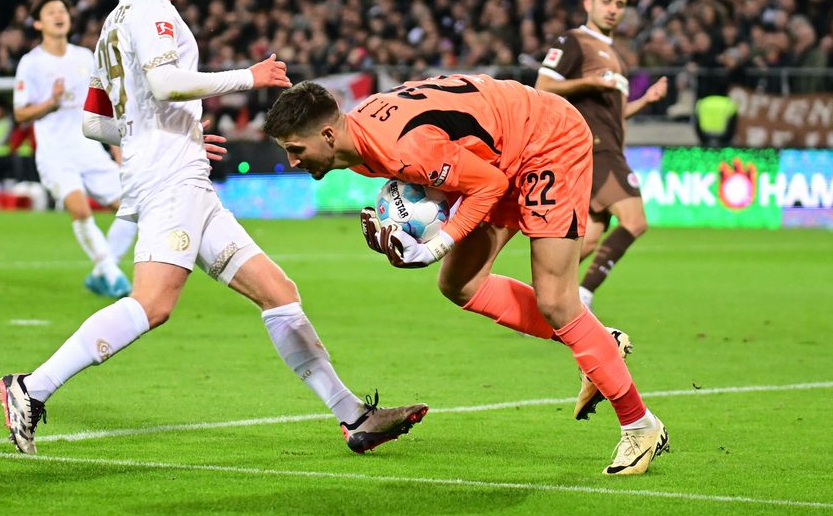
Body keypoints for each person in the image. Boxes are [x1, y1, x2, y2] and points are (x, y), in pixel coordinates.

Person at [0, 0, 427, 458]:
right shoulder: (152, 11)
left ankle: (353, 416)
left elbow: (95, 122)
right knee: (152, 304)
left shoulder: (112, 23)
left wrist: (177, 135)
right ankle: (30, 389)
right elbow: (164, 81)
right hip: (170, 183)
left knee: (278, 293)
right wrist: (250, 77)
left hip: (182, 178)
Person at [263, 75, 670, 475]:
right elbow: (450, 169)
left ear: (329, 135)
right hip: (501, 149)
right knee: (458, 284)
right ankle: (600, 344)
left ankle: (641, 426)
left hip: (548, 140)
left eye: (296, 149)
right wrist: (401, 238)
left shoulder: (402, 148)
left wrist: (436, 245)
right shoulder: (364, 137)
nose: (292, 161)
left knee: (556, 299)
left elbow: (485, 183)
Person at [535, 0, 667, 311]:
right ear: (588, 4)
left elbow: (616, 114)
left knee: (589, 238)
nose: (613, 10)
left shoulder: (615, 55)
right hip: (593, 147)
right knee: (635, 221)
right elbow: (544, 84)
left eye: (620, 5)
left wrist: (645, 101)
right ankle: (584, 294)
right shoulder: (574, 41)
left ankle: (539, 300)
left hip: (608, 144)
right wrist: (588, 81)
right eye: (606, 1)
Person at [12, 0, 137, 298]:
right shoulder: (31, 63)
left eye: (62, 10)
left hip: (89, 147)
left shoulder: (85, 57)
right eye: (51, 11)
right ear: (39, 23)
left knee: (134, 209)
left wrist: (116, 147)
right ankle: (111, 274)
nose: (59, 14)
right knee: (79, 209)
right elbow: (20, 113)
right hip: (55, 153)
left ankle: (102, 271)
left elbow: (103, 104)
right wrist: (51, 103)